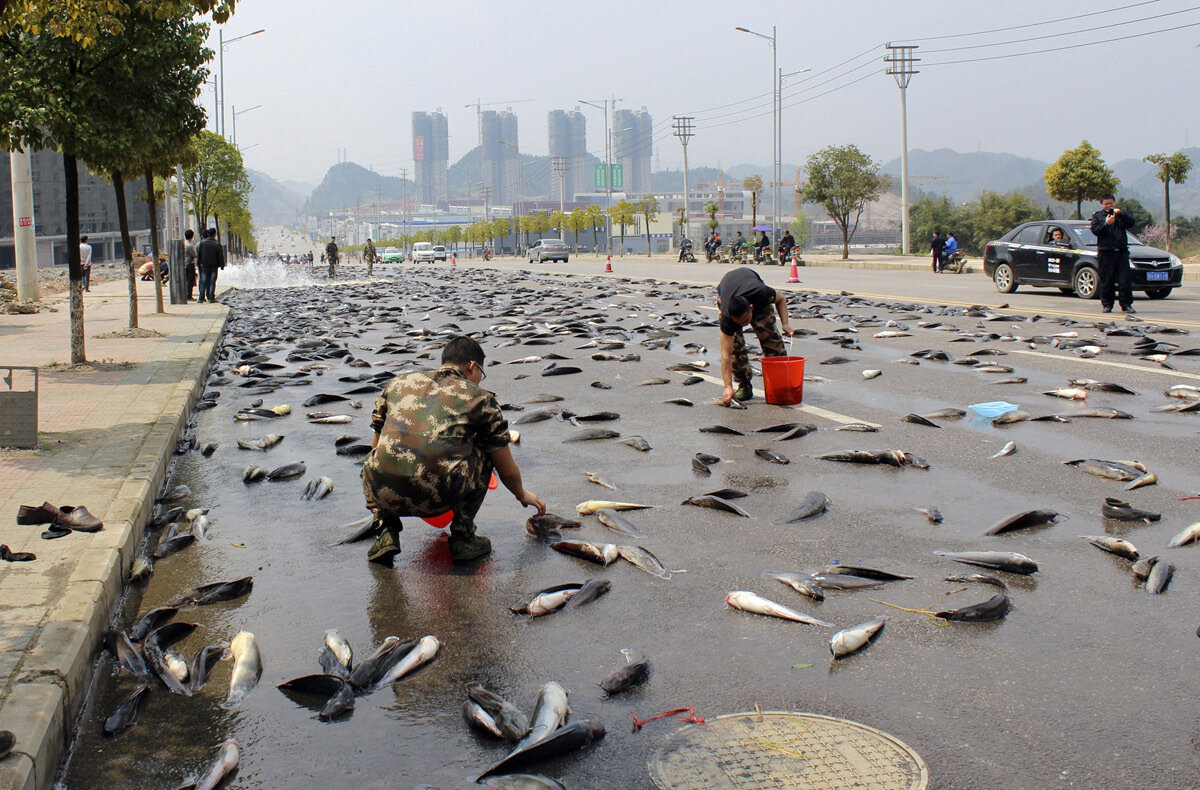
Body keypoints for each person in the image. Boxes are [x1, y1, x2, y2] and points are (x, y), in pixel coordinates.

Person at [360, 336, 546, 565]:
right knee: (487, 449)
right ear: (472, 366)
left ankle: (385, 533)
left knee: (378, 458)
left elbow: (377, 440)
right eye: (481, 373)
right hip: (439, 496)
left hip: (385, 493)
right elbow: (503, 465)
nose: (479, 380)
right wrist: (521, 494)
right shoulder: (479, 398)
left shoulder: (398, 382)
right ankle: (463, 537)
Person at [717, 266, 795, 406]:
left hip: (753, 292)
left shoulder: (761, 294)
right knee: (735, 347)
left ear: (751, 308)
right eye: (740, 324)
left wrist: (785, 324)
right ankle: (744, 385)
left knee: (771, 339)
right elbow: (726, 355)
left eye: (747, 321)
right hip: (727, 293)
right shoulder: (727, 318)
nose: (745, 325)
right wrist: (727, 386)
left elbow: (781, 299)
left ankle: (780, 385)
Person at [1089, 193, 1136, 313]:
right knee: (1107, 279)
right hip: (1106, 252)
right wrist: (1106, 224)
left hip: (1121, 251)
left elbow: (1131, 223)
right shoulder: (1097, 216)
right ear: (1101, 204)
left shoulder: (1120, 214)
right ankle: (1107, 304)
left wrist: (1122, 214)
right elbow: (1096, 231)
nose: (1109, 205)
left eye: (1111, 203)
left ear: (1114, 203)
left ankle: (1126, 305)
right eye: (1106, 204)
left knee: (1124, 279)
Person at [195, 227, 225, 303]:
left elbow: (198, 255)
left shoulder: (202, 243)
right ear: (215, 234)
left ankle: (201, 298)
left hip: (204, 265)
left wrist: (198, 264)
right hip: (214, 266)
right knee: (212, 282)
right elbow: (220, 256)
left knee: (203, 281)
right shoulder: (217, 244)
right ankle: (211, 297)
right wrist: (222, 265)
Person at [183, 229, 197, 301]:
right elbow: (194, 255)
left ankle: (186, 295)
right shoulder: (189, 245)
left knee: (186, 280)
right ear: (192, 236)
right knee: (190, 280)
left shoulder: (184, 243)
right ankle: (189, 296)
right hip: (189, 264)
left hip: (184, 264)